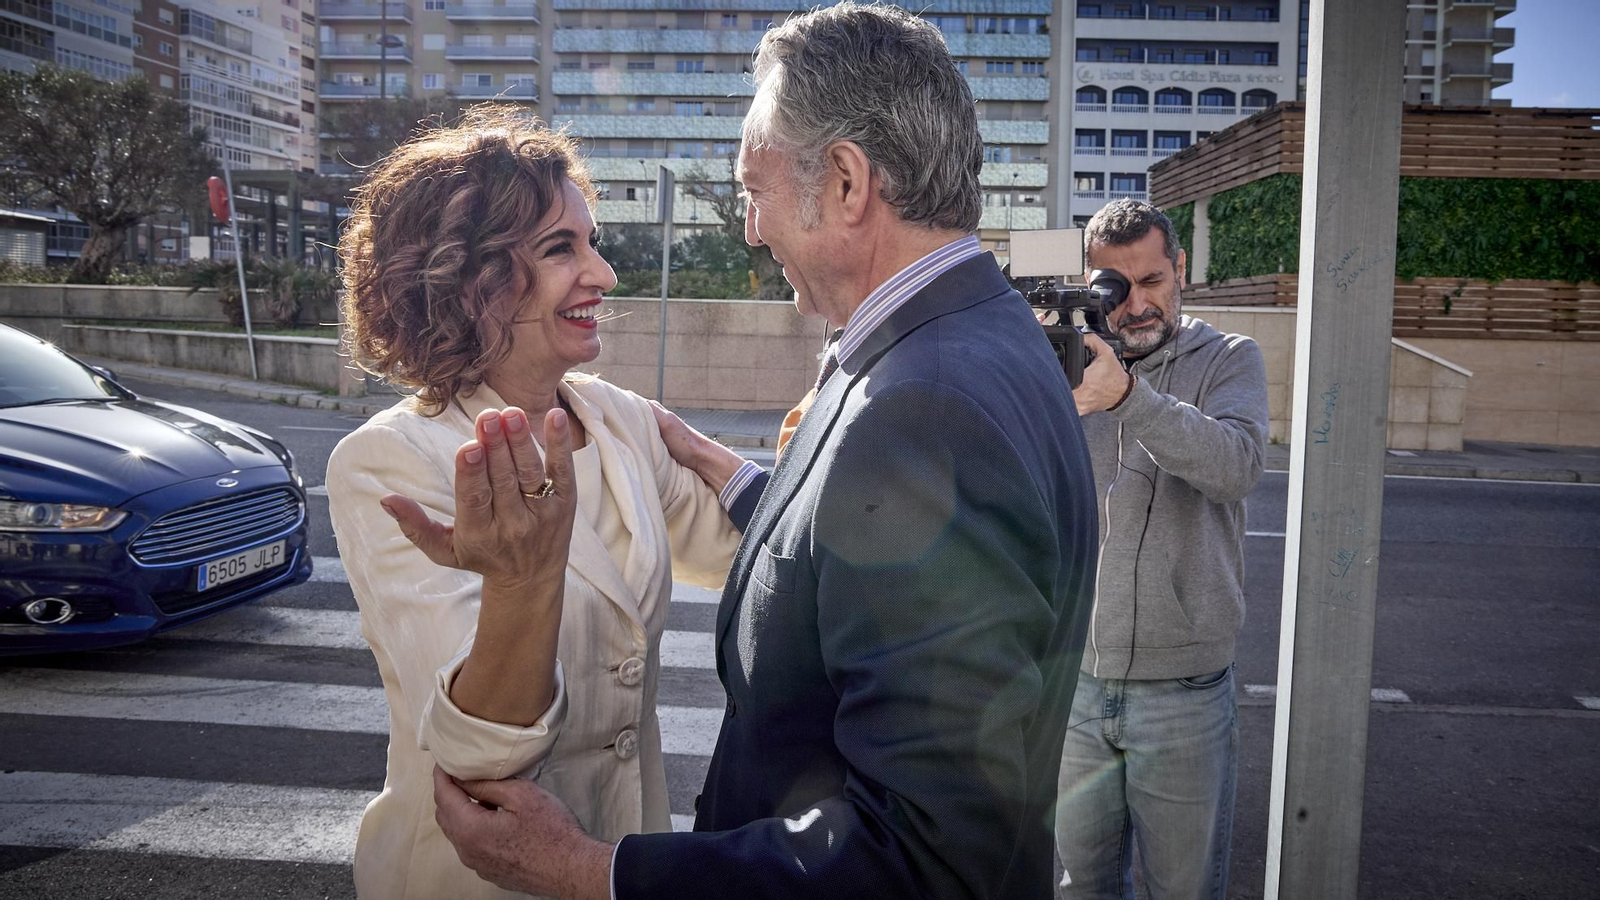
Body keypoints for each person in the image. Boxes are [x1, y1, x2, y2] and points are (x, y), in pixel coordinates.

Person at [424, 5, 1100, 899]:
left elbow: (924, 856)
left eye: (755, 189)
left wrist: (594, 871)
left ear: (849, 184)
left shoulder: (921, 411)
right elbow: (879, 562)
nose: (750, 226)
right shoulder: (978, 332)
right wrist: (748, 485)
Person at [324, 107, 768, 900]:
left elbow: (749, 562)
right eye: (562, 248)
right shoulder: (386, 464)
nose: (602, 274)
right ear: (471, 280)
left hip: (617, 863)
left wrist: (785, 473)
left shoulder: (619, 419)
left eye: (591, 242)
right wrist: (520, 582)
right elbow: (484, 755)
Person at [1053, 198, 1269, 899]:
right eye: (1115, 288)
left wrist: (1128, 399)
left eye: (1152, 281)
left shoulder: (1230, 359)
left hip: (1184, 696)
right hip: (1075, 687)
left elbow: (1235, 466)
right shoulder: (1068, 365)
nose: (1136, 304)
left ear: (1180, 270)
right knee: (1076, 889)